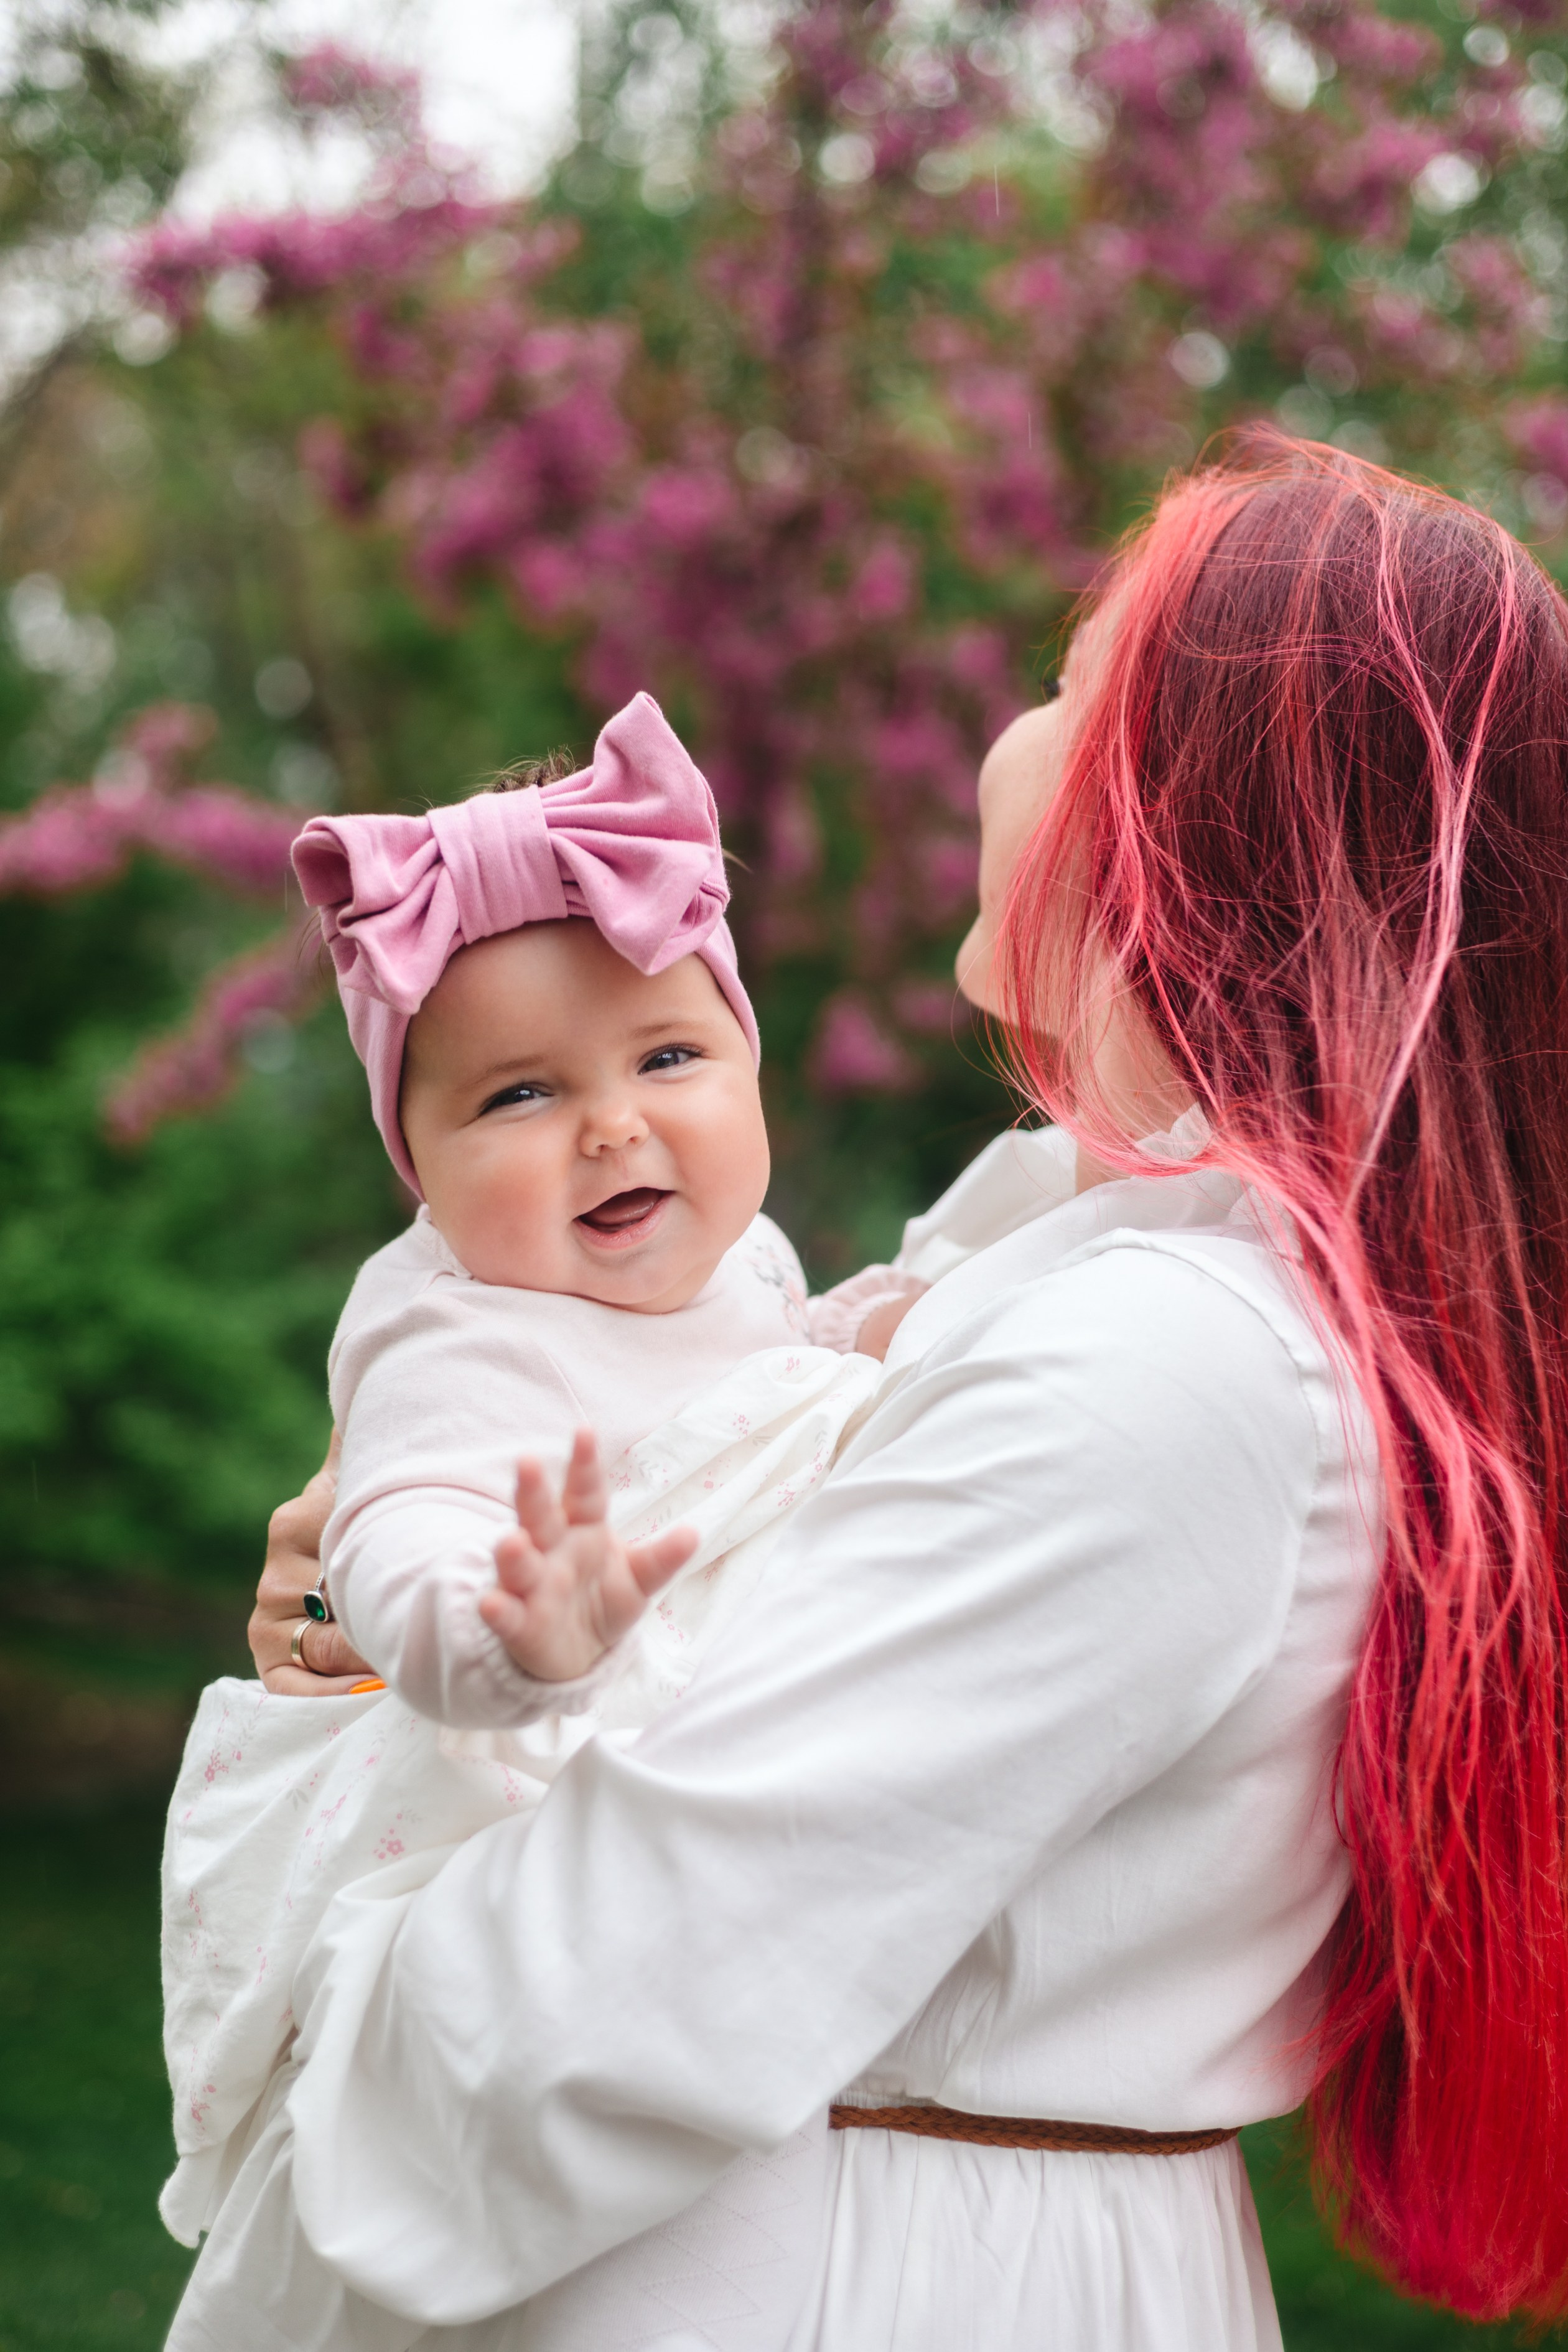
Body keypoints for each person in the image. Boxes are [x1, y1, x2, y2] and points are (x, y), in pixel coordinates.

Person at [238, 432, 1568, 2347]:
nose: (1005, 734)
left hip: (847, 2269)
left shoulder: (1168, 1367)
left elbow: (618, 1982)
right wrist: (410, 1622)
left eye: (1065, 684)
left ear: (1188, 814)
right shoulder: (1049, 1259)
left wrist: (330, 1983)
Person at [162, 689, 938, 2347]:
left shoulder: (744, 1261)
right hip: (506, 1856)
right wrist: (502, 1636)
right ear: (418, 1167)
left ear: (746, 1060)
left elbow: (757, 1376)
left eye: (669, 1055)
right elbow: (393, 1542)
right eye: (517, 1094)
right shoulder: (453, 1330)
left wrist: (862, 1334)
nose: (611, 1123)